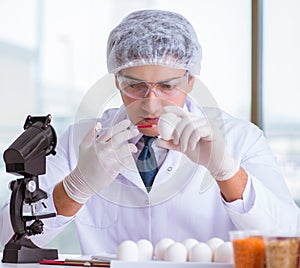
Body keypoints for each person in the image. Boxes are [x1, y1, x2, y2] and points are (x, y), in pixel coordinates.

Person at [1, 9, 299, 255]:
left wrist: (227, 172)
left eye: (167, 86)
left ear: (190, 81)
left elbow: (289, 241)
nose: (151, 103)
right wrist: (75, 189)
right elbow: (5, 242)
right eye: (135, 85)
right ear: (117, 81)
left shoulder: (240, 138)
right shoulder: (82, 140)